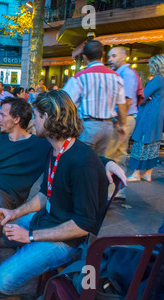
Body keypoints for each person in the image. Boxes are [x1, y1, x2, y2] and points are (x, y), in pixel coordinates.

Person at [0, 90, 110, 296]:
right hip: (46, 220)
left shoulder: (82, 162)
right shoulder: (55, 149)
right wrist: (15, 213)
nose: (32, 122)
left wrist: (29, 236)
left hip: (66, 239)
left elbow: (83, 225)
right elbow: (44, 195)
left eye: (35, 116)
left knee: (2, 281)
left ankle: (48, 286)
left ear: (46, 117)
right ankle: (30, 264)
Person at [63, 40, 128, 156]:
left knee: (83, 161)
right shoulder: (116, 78)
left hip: (88, 126)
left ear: (84, 57)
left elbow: (64, 102)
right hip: (108, 127)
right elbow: (122, 104)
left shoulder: (80, 77)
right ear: (103, 54)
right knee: (101, 162)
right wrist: (122, 125)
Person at [106, 46, 140, 199]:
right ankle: (118, 191)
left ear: (123, 57)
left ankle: (111, 192)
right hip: (124, 119)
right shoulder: (121, 73)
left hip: (123, 119)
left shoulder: (126, 73)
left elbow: (126, 101)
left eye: (113, 56)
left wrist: (120, 123)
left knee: (111, 155)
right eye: (109, 56)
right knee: (118, 155)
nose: (110, 59)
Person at [127, 54, 164, 182]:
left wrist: (144, 98)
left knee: (141, 142)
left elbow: (142, 97)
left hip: (148, 114)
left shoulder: (157, 80)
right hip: (158, 115)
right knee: (153, 144)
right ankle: (148, 173)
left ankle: (136, 173)